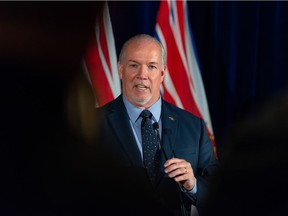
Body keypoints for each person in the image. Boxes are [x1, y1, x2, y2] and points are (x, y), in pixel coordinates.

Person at [93, 34, 219, 216]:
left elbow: (218, 191)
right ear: (120, 70)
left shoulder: (193, 127)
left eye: (151, 67)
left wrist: (193, 185)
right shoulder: (93, 125)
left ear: (162, 73)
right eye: (134, 65)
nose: (142, 75)